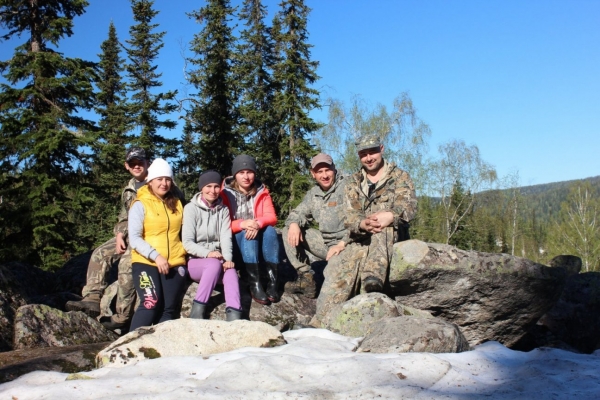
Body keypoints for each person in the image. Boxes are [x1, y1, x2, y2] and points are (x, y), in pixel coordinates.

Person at [311, 134, 418, 326]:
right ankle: (320, 321)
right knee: (339, 270)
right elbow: (349, 215)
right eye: (363, 154)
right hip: (360, 238)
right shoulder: (353, 181)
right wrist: (361, 224)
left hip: (391, 237)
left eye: (372, 152)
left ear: (382, 149)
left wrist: (391, 216)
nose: (369, 158)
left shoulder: (400, 177)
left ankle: (373, 277)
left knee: (382, 226)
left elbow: (409, 207)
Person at [66, 147, 148, 331]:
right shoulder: (129, 189)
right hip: (128, 234)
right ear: (127, 166)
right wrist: (120, 233)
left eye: (140, 163)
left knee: (126, 265)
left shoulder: (158, 182)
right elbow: (123, 216)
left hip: (148, 235)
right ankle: (92, 298)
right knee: (100, 253)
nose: (137, 166)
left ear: (147, 163)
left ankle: (122, 316)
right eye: (132, 164)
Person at [128, 158, 187, 330]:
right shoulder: (140, 204)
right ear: (150, 181)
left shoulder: (177, 203)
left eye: (167, 179)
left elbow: (185, 231)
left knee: (168, 310)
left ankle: (158, 352)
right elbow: (135, 238)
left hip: (175, 262)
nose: (164, 183)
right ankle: (129, 347)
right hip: (146, 261)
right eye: (159, 179)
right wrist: (156, 256)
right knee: (150, 303)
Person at [283, 153, 349, 298]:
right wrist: (294, 223)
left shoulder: (348, 187)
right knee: (288, 229)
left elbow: (360, 221)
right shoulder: (313, 194)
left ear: (334, 169)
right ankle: (306, 279)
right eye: (319, 171)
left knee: (335, 281)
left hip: (348, 244)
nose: (324, 175)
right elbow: (297, 213)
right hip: (325, 245)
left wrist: (342, 244)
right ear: (313, 174)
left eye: (327, 170)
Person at [182, 170, 242, 321]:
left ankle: (235, 316)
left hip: (217, 259)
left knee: (230, 272)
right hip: (195, 261)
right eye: (208, 186)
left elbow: (225, 237)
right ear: (201, 188)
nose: (213, 191)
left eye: (216, 186)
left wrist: (228, 259)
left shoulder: (223, 210)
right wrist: (207, 254)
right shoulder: (191, 208)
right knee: (214, 264)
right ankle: (197, 312)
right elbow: (187, 242)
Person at [221, 154, 280, 305]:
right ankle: (254, 283)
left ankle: (273, 281)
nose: (246, 176)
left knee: (271, 231)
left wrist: (257, 223)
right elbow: (221, 224)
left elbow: (271, 217)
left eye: (250, 172)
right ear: (235, 175)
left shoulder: (262, 191)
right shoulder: (225, 194)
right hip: (237, 245)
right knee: (248, 234)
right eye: (241, 173)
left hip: (258, 240)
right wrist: (242, 224)